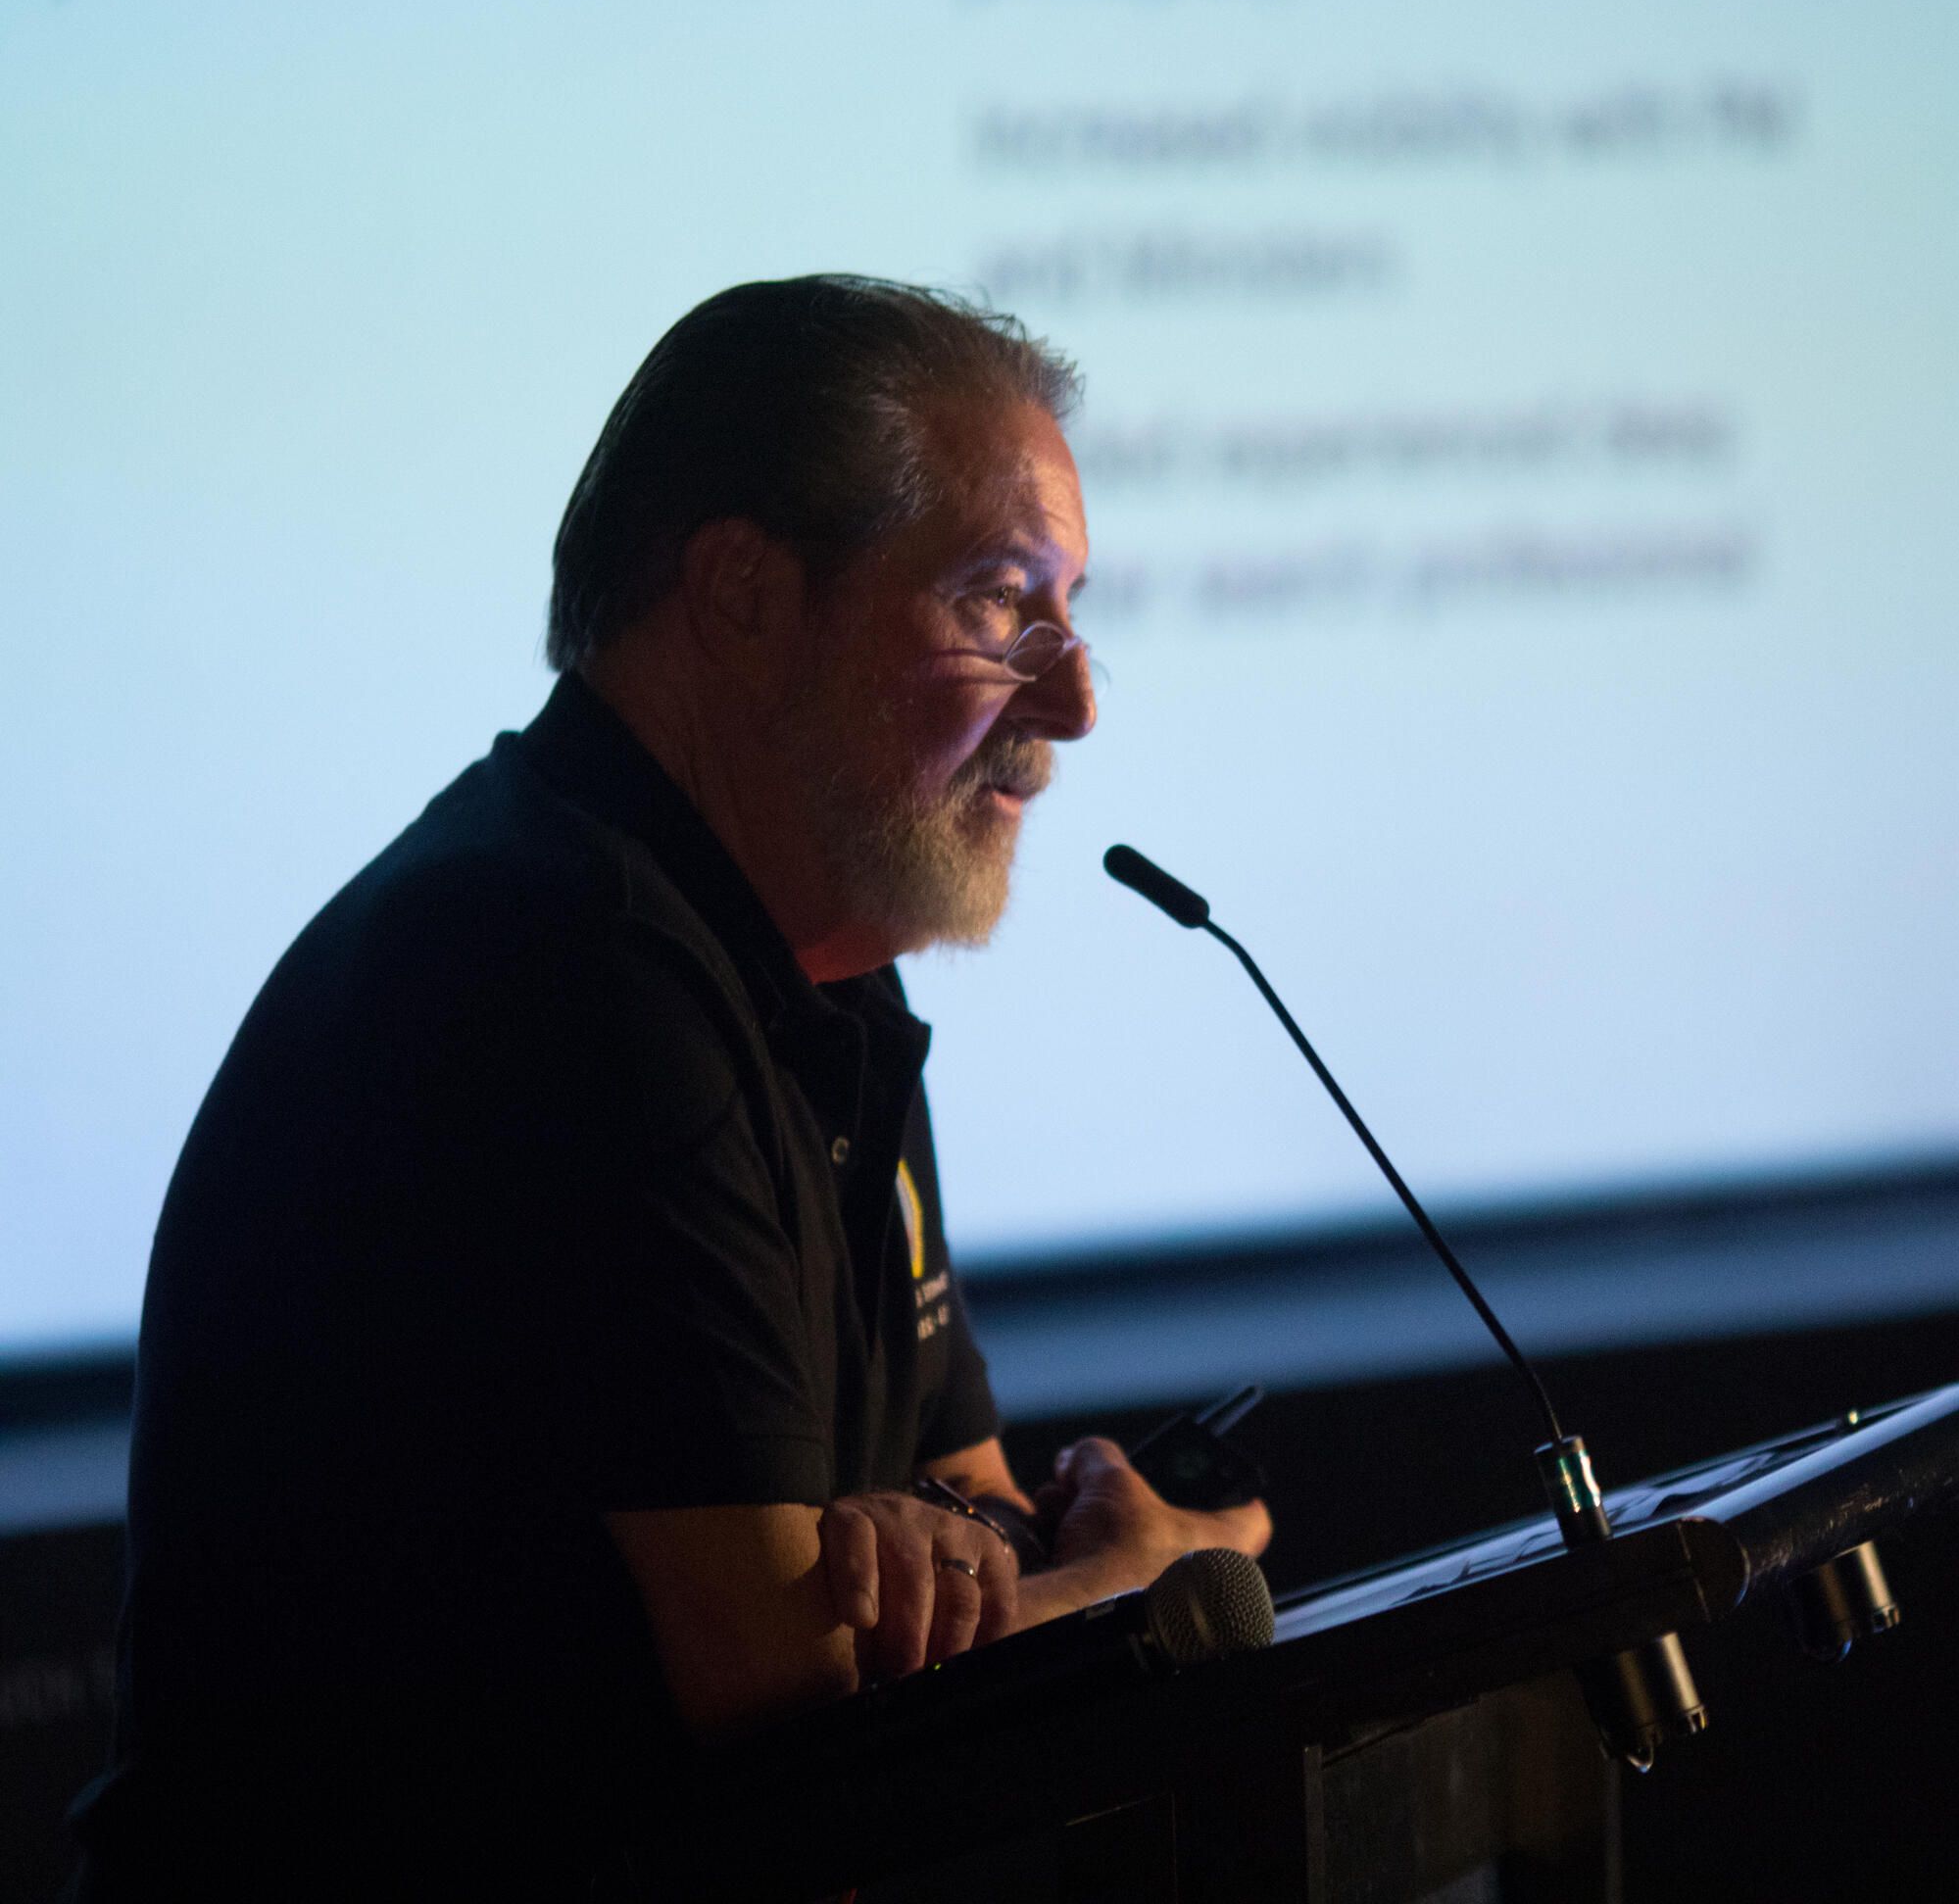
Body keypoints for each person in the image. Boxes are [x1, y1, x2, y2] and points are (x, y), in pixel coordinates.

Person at [72, 275, 1269, 1895]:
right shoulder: (551, 960)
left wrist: (973, 1552)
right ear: (742, 591)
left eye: (1073, 616)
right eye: (1000, 606)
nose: (1071, 706)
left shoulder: (820, 974)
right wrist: (1146, 1586)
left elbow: (975, 1507)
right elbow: (789, 1690)